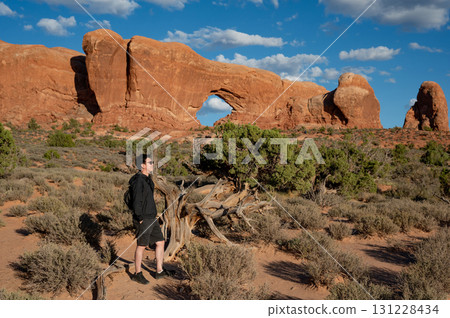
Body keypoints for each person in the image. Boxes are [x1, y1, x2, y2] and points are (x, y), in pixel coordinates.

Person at [128, 153, 171, 284]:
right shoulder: (138, 180)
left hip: (151, 217)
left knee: (160, 242)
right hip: (144, 218)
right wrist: (140, 217)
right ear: (142, 165)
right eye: (150, 162)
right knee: (141, 245)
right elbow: (137, 201)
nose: (152, 164)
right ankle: (137, 273)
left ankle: (159, 271)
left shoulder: (147, 179)